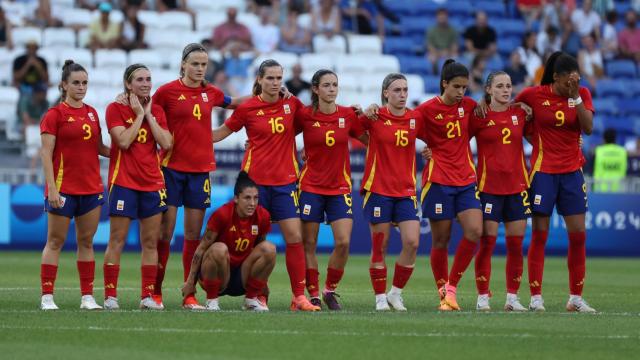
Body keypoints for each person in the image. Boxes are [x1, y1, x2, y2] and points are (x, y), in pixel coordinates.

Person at [213, 59, 320, 311]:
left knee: (295, 238)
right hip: (254, 187)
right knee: (257, 242)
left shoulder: (291, 104)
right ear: (259, 79)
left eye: (278, 78)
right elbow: (219, 134)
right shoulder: (248, 108)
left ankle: (298, 297)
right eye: (270, 78)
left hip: (285, 184)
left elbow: (315, 125)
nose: (274, 83)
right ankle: (258, 294)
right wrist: (184, 133)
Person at [151, 43, 246, 310]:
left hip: (199, 172)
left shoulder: (211, 92)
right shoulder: (167, 92)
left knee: (193, 235)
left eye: (204, 64)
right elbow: (148, 109)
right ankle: (154, 292)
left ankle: (188, 293)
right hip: (170, 170)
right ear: (183, 64)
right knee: (165, 233)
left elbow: (236, 103)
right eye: (195, 64)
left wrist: (267, 95)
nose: (200, 68)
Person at [514, 51, 596, 313]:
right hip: (543, 173)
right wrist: (524, 113)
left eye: (576, 80)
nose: (571, 86)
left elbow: (589, 127)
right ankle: (536, 297)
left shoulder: (581, 93)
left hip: (572, 172)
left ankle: (575, 298)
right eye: (566, 82)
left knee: (578, 235)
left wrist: (575, 98)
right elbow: (510, 108)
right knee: (540, 235)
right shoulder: (534, 95)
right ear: (555, 77)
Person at [39, 60, 110, 310]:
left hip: (91, 188)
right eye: (76, 83)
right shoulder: (54, 115)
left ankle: (87, 297)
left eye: (85, 83)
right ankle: (47, 296)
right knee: (55, 241)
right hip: (63, 188)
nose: (81, 87)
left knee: (87, 242)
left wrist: (129, 150)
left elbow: (100, 148)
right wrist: (52, 189)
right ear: (64, 85)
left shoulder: (92, 113)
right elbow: (46, 154)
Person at [102, 64, 173, 310]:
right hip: (124, 182)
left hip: (152, 183)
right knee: (117, 240)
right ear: (128, 84)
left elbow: (166, 142)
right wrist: (139, 115)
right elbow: (122, 141)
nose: (145, 83)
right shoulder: (115, 109)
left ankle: (147, 297)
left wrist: (150, 115)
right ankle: (111, 296)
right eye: (139, 79)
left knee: (151, 242)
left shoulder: (158, 111)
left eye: (148, 79)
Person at [295, 69, 368, 310]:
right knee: (309, 243)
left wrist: (371, 115)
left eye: (335, 84)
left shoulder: (348, 114)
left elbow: (371, 140)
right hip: (310, 187)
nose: (332, 89)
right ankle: (313, 293)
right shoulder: (304, 115)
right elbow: (280, 134)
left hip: (339, 188)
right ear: (316, 89)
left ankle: (330, 289)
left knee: (343, 242)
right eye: (326, 85)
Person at [415, 59, 482, 311]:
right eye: (456, 87)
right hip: (438, 181)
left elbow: (490, 125)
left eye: (465, 87)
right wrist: (425, 149)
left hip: (465, 180)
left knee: (475, 230)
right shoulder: (426, 110)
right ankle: (443, 292)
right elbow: (404, 130)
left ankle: (452, 287)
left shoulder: (470, 107)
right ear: (444, 84)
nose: (461, 93)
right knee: (441, 240)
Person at [468, 71, 531, 312]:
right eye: (500, 86)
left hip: (517, 188)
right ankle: (483, 296)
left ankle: (512, 298)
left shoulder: (520, 113)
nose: (506, 90)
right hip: (489, 189)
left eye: (509, 86)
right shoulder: (479, 115)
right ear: (488, 90)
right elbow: (456, 140)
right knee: (487, 244)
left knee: (516, 246)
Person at [360, 73, 423, 311]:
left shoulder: (416, 118)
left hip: (406, 192)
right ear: (386, 93)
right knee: (381, 245)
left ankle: (395, 293)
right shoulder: (375, 116)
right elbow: (346, 130)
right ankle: (379, 298)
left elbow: (438, 138)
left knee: (412, 242)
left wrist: (430, 151)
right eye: (397, 90)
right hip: (378, 190)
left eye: (405, 90)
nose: (402, 94)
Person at [181, 171, 276, 311]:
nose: (252, 203)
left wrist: (263, 284)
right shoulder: (222, 214)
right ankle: (212, 301)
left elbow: (260, 248)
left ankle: (251, 299)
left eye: (256, 198)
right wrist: (190, 282)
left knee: (269, 248)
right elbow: (201, 248)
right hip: (218, 273)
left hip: (242, 276)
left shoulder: (262, 215)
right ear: (236, 198)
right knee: (219, 248)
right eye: (247, 198)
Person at [593, 128, 627, 193]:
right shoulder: (623, 151)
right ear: (615, 139)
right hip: (619, 190)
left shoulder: (598, 151)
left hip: (600, 190)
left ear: (604, 139)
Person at [425, 8, 459, 73]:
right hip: (435, 53)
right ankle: (433, 76)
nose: (442, 18)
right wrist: (439, 53)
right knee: (431, 58)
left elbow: (455, 46)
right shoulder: (431, 30)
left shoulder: (453, 30)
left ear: (447, 17)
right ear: (437, 17)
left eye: (444, 16)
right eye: (440, 16)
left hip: (449, 52)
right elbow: (429, 46)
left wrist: (448, 52)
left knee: (455, 58)